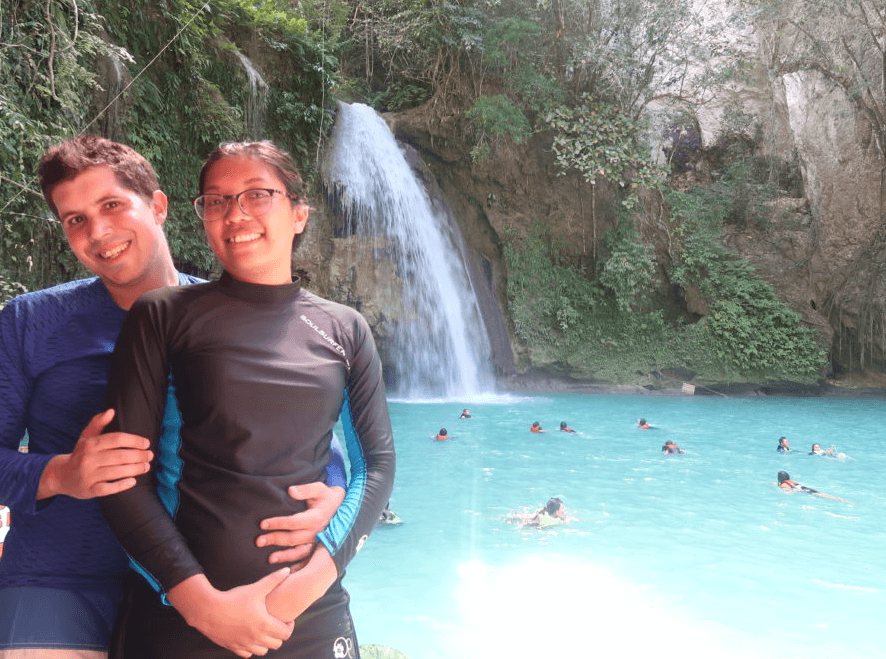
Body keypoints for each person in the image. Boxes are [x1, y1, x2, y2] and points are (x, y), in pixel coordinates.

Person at [0, 136, 346, 659]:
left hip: (207, 575)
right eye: (75, 220)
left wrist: (334, 491)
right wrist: (60, 475)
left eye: (112, 205)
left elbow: (312, 431)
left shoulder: (228, 317)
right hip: (62, 580)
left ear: (158, 206)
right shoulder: (29, 322)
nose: (99, 232)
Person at [98, 141, 396, 659]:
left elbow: (377, 467)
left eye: (258, 195)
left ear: (299, 214)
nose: (235, 214)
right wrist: (201, 604)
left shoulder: (344, 330)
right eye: (216, 201)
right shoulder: (163, 317)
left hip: (311, 615)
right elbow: (121, 478)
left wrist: (300, 592)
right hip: (180, 613)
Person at [776, 471, 843, 501]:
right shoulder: (790, 481)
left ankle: (842, 501)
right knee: (824, 495)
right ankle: (842, 500)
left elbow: (789, 491)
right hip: (805, 488)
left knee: (825, 496)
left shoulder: (783, 485)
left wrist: (786, 492)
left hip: (803, 491)